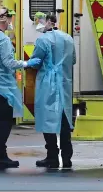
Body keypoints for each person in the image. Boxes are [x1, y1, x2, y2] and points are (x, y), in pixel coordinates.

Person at [0, 7, 41, 169]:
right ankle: (0, 157)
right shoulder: (3, 40)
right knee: (3, 123)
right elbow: (9, 63)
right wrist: (27, 63)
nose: (12, 21)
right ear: (5, 20)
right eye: (11, 18)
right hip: (2, 89)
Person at [31, 13, 76, 168]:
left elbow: (35, 62)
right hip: (64, 83)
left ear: (49, 22)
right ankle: (67, 156)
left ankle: (52, 156)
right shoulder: (68, 38)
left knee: (47, 118)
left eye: (41, 22)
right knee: (64, 119)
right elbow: (73, 60)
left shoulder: (43, 40)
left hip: (48, 84)